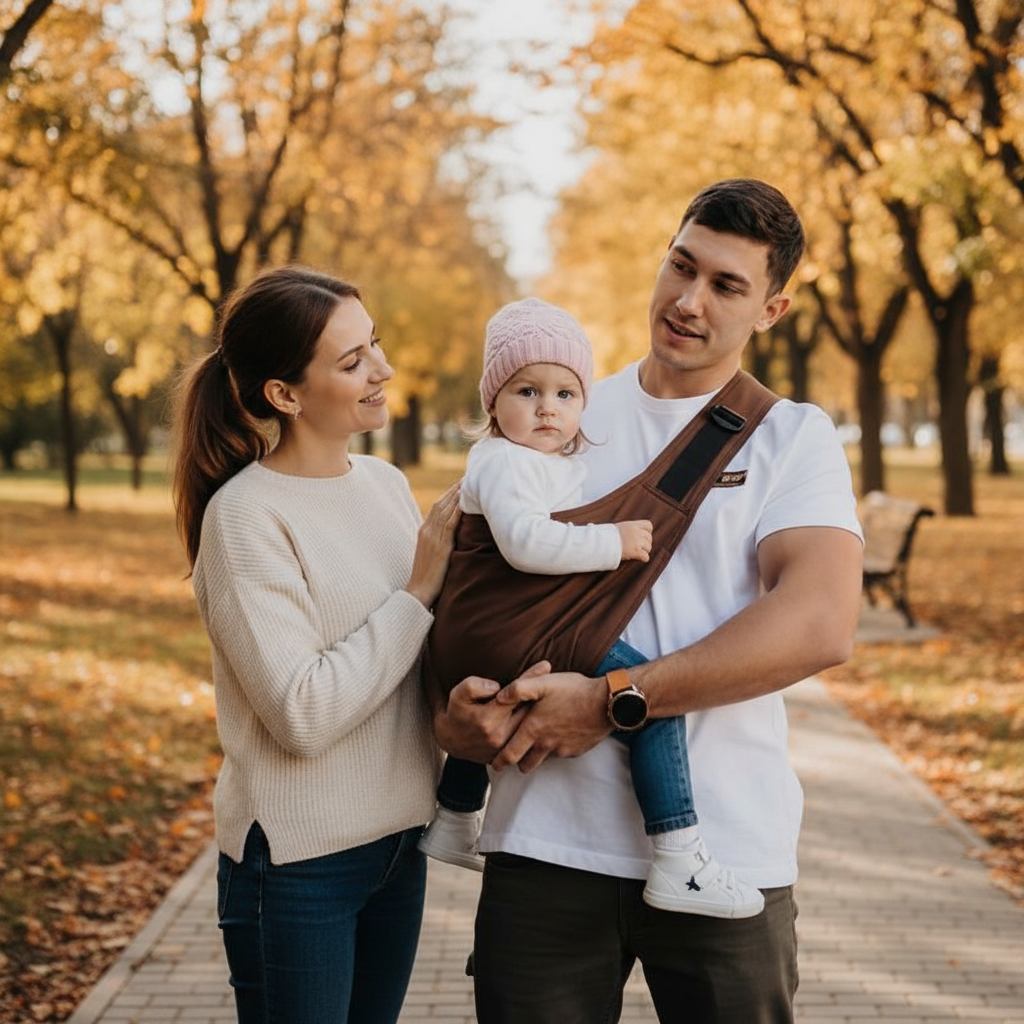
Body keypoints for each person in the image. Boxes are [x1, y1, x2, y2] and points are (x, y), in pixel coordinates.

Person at [432, 178, 865, 1023]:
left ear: (770, 309)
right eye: (682, 266)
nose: (689, 301)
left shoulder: (790, 437)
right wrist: (447, 717)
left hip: (725, 850)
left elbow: (818, 623)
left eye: (726, 286)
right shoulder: (553, 409)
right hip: (543, 839)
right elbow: (469, 588)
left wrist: (613, 701)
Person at [170, 265, 462, 1024]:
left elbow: (417, 656)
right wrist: (419, 592)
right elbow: (302, 711)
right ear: (285, 395)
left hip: (399, 842)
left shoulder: (385, 484)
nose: (383, 369)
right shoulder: (245, 520)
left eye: (375, 344)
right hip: (300, 869)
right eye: (352, 360)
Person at [418, 296, 765, 920]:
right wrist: (613, 541)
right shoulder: (503, 461)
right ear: (492, 401)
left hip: (487, 630)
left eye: (566, 393)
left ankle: (453, 819)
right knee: (646, 697)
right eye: (527, 391)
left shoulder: (544, 461)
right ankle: (679, 855)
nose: (548, 407)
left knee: (500, 693)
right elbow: (525, 545)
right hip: (513, 625)